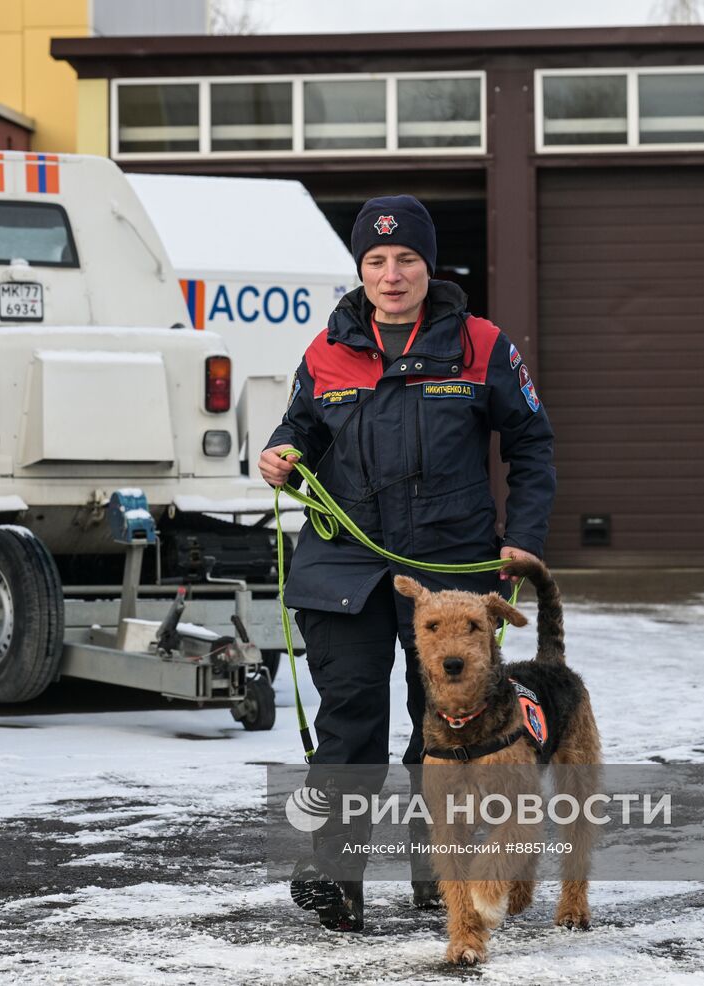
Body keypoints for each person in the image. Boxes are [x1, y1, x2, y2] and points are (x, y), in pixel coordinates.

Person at [259, 194, 557, 931]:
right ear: (360, 268)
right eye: (376, 261)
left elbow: (532, 443)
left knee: (450, 722)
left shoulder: (481, 344)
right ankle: (336, 877)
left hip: (451, 568)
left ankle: (439, 873)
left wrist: (521, 536)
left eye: (406, 260)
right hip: (344, 567)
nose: (391, 275)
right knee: (350, 717)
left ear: (429, 266)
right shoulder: (325, 351)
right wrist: (280, 456)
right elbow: (299, 431)